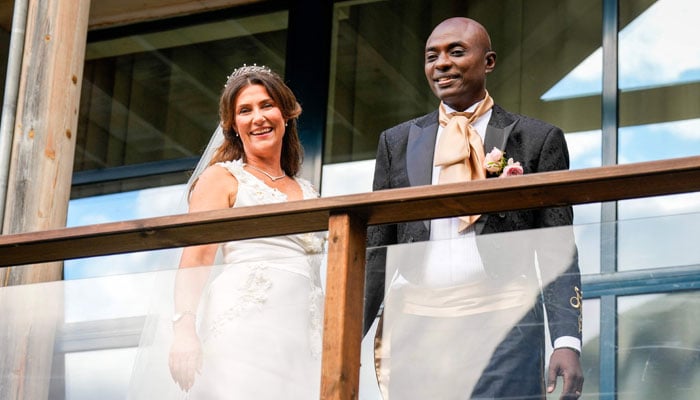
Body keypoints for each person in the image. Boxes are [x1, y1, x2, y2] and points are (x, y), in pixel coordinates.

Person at [364, 17, 584, 399]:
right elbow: (376, 252)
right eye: (432, 56)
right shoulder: (395, 143)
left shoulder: (536, 139)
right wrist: (348, 335)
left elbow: (556, 248)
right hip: (418, 326)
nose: (442, 63)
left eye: (457, 52)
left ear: (489, 62)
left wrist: (566, 339)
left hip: (507, 324)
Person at [165, 64, 326, 399]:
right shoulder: (222, 178)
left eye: (266, 105)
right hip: (245, 328)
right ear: (234, 125)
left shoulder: (309, 191)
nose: (258, 118)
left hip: (302, 339)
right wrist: (184, 330)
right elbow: (197, 257)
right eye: (245, 110)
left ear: (285, 114)